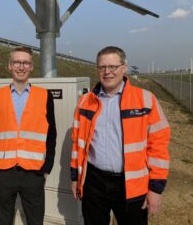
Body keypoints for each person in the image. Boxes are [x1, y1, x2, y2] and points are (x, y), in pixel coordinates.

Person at [70, 46, 171, 225]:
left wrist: (155, 188)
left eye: (112, 66)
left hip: (131, 184)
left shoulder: (146, 100)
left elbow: (158, 147)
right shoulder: (86, 102)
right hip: (93, 182)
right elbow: (77, 143)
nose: (107, 72)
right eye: (102, 67)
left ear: (124, 67)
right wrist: (75, 178)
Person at [0, 47, 57, 225]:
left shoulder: (45, 96)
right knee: (4, 221)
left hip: (33, 173)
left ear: (32, 67)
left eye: (25, 63)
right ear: (9, 66)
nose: (21, 67)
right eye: (17, 62)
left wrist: (46, 168)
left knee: (35, 221)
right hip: (4, 173)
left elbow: (51, 134)